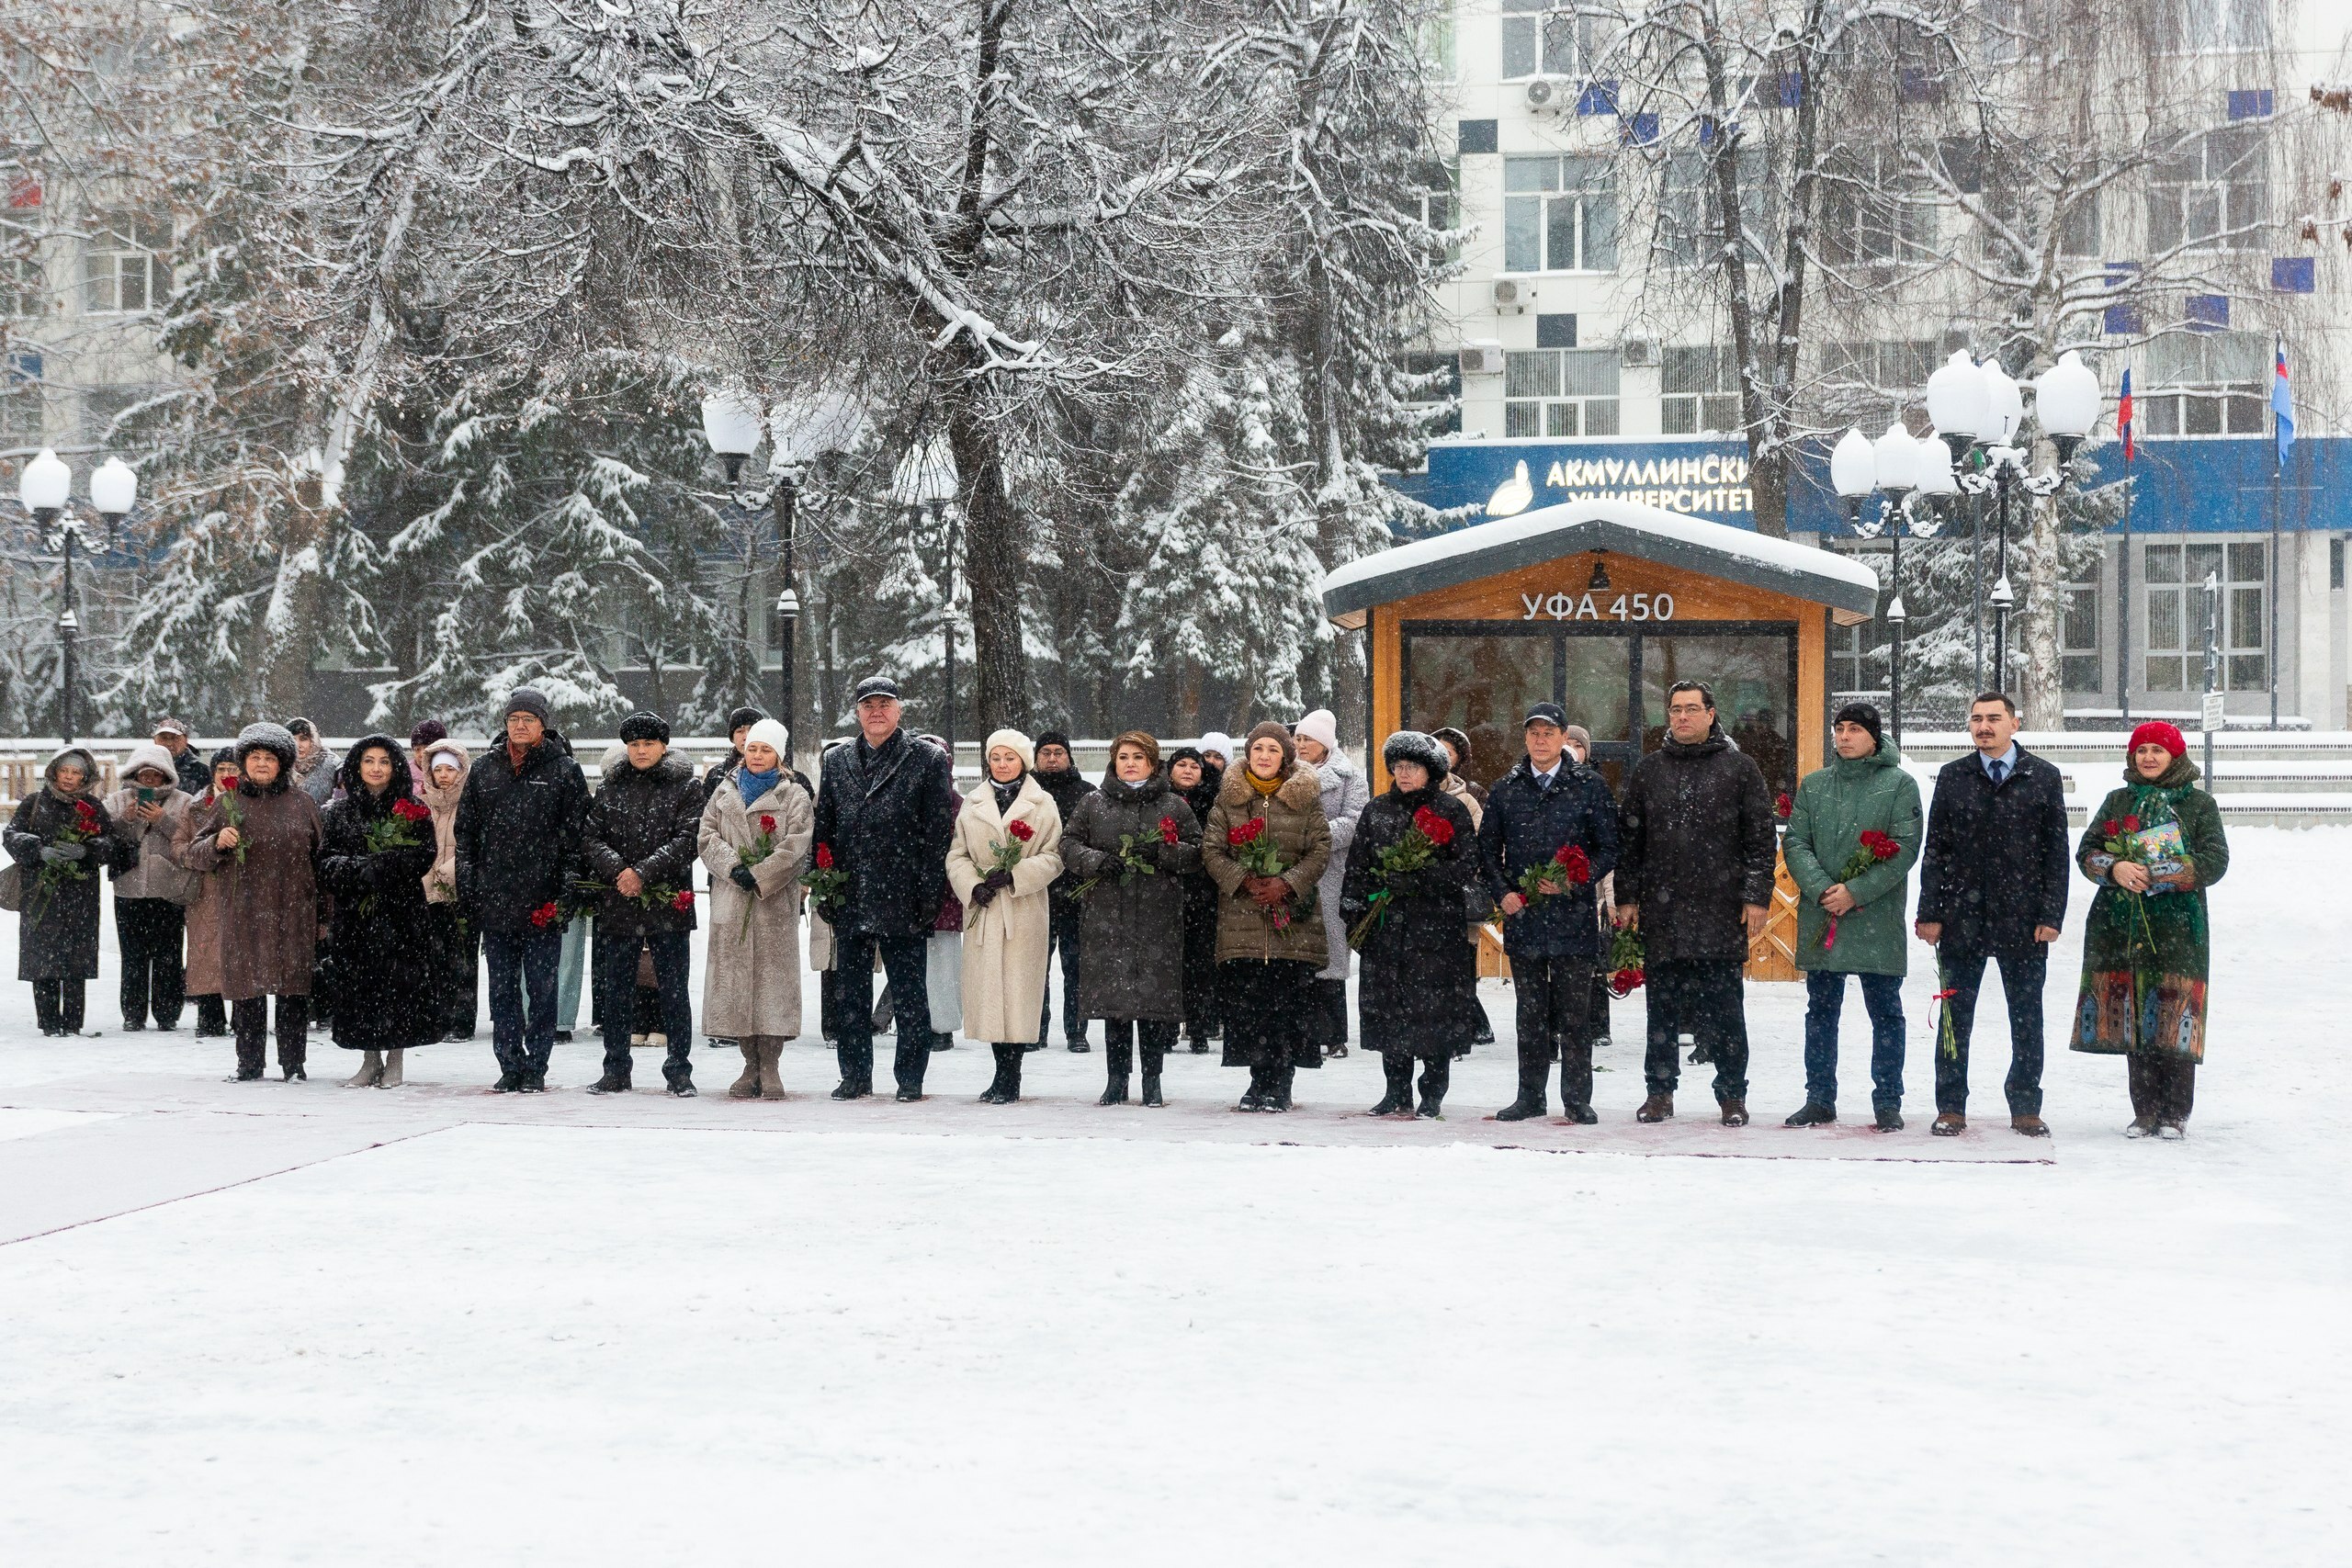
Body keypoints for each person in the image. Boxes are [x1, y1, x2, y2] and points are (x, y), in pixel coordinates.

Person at [1614, 681, 1777, 1126]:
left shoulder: (1740, 769)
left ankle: (1732, 1095)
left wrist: (1756, 895)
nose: (1682, 717)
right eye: (1675, 709)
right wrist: (1627, 896)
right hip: (1662, 910)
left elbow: (1760, 839)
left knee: (1725, 1009)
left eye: (1691, 709)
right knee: (1661, 1009)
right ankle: (1660, 1092)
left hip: (1720, 909)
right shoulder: (1649, 771)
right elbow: (1630, 840)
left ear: (1711, 714)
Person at [1915, 692, 2070, 1137]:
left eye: (1994, 718)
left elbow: (2055, 854)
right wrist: (1931, 912)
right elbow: (1936, 852)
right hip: (1962, 919)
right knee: (1953, 1018)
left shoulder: (2042, 777)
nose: (1984, 726)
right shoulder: (1953, 776)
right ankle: (1951, 1105)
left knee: (2026, 1016)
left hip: (2023, 919)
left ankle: (2025, 1104)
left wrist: (2051, 914)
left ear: (2015, 724)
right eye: (1977, 719)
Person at [2070, 722, 2230, 1139]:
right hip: (2119, 925)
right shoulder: (2117, 800)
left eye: (2158, 750)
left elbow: (2215, 859)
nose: (2149, 758)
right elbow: (2087, 851)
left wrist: (2160, 872)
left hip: (2178, 926)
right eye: (2142, 750)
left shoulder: (2199, 804)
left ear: (2176, 756)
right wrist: (2115, 868)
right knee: (2135, 1017)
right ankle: (2144, 1111)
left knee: (2176, 1014)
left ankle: (2175, 1112)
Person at [811, 674, 956, 1100]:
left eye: (884, 704)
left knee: (910, 995)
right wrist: (824, 884)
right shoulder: (837, 761)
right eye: (868, 705)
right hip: (851, 893)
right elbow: (825, 828)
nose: (876, 712)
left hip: (904, 894)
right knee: (850, 997)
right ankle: (855, 1075)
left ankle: (910, 1078)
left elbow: (937, 832)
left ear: (899, 710)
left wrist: (929, 892)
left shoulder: (926, 758)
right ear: (857, 713)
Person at [1781, 703, 1922, 1133]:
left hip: (1875, 917)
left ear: (1874, 737)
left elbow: (1904, 848)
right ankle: (1819, 1098)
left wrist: (1856, 892)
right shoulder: (1815, 785)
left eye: (1854, 729)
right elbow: (1796, 843)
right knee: (1821, 1012)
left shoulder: (1899, 785)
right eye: (1839, 729)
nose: (1843, 737)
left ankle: (1887, 1101)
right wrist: (1824, 889)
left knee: (1886, 1013)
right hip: (1824, 913)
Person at [1477, 702, 1621, 1121]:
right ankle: (1530, 1096)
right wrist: (1502, 893)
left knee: (1576, 1014)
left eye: (1549, 732)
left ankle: (1577, 1099)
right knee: (1530, 1013)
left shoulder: (1589, 786)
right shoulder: (1507, 788)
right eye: (1534, 732)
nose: (1541, 740)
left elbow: (1610, 846)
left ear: (1563, 738)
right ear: (1525, 738)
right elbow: (1486, 851)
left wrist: (1577, 879)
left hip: (1573, 917)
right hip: (1524, 916)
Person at [455, 687, 591, 1093]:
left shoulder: (564, 770)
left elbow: (577, 837)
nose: (520, 725)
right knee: (502, 989)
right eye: (514, 719)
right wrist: (470, 890)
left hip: (541, 901)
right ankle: (509, 1062)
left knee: (542, 988)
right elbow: (467, 835)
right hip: (495, 899)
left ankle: (538, 1063)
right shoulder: (484, 770)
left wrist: (565, 890)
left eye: (528, 719)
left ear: (543, 725)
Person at [1342, 731, 1480, 1118]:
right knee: (1390, 1012)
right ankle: (1396, 1089)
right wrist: (1354, 911)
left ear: (1430, 771)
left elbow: (1467, 865)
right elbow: (1358, 864)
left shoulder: (1449, 811)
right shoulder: (1377, 810)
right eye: (1399, 767)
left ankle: (1432, 1092)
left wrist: (1421, 879)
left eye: (1413, 767)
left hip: (1435, 930)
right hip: (1387, 930)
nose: (1404, 774)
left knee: (1433, 1013)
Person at [1060, 731, 1201, 1107]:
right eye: (1123, 756)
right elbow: (1069, 845)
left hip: (1158, 917)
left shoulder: (1173, 805)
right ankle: (1116, 1080)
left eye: (1138, 757)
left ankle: (1152, 1081)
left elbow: (1197, 852)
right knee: (1115, 1007)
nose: (1130, 763)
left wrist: (1163, 852)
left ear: (1153, 763)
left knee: (1152, 1007)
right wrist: (1098, 861)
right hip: (1106, 916)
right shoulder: (1093, 803)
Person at [1200, 721, 1331, 1112]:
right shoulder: (1228, 800)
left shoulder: (1305, 798)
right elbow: (1212, 849)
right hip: (1243, 917)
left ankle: (1283, 1079)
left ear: (1286, 757)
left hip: (1293, 919)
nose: (1264, 756)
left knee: (1286, 1002)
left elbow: (1320, 848)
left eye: (1273, 749)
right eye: (1258, 748)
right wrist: (1244, 880)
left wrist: (1287, 884)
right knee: (1249, 1003)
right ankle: (1257, 1080)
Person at [181, 723, 325, 1080]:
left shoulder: (303, 803)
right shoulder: (228, 804)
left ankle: (294, 1064)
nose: (261, 764)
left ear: (284, 763)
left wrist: (325, 917)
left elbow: (322, 861)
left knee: (292, 991)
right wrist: (216, 843)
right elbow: (193, 854)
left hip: (294, 912)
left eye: (270, 758)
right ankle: (249, 1063)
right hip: (243, 912)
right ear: (243, 762)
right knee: (247, 990)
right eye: (254, 757)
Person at [581, 711, 705, 1096]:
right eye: (634, 744)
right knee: (616, 990)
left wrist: (644, 873)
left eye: (648, 743)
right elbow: (591, 837)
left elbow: (688, 840)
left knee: (673, 989)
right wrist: (619, 870)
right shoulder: (610, 787)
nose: (641, 750)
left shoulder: (686, 787)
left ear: (664, 746)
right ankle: (615, 1068)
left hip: (668, 903)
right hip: (619, 902)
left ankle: (679, 1070)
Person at [946, 729, 1065, 1104]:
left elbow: (1055, 855)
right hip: (985, 909)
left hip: (1023, 908)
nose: (1002, 764)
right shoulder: (973, 802)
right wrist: (971, 886)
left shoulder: (1042, 803)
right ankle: (999, 1071)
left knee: (1018, 992)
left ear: (1024, 762)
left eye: (1009, 757)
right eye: (995, 757)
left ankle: (1012, 1074)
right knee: (989, 995)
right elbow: (957, 854)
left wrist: (1016, 874)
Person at [698, 717, 814, 1100]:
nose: (758, 755)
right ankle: (749, 1063)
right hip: (732, 901)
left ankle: (771, 1064)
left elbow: (797, 844)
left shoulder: (793, 795)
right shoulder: (723, 791)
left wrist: (762, 874)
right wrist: (733, 868)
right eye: (752, 748)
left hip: (772, 903)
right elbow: (706, 836)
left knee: (771, 983)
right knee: (736, 985)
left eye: (766, 749)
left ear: (779, 755)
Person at [316, 735, 440, 1088]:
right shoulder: (338, 812)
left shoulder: (412, 808)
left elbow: (424, 855)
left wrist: (388, 865)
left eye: (384, 761)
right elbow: (325, 862)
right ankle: (369, 1059)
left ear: (395, 767)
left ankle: (396, 1058)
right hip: (356, 915)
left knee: (401, 986)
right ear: (357, 766)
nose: (376, 768)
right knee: (361, 986)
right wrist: (360, 870)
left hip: (402, 914)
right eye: (369, 761)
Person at [7, 747, 131, 1036]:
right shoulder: (34, 803)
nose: (69, 777)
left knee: (76, 959)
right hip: (40, 892)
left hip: (80, 895)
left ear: (85, 777)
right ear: (53, 771)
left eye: (76, 772)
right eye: (65, 770)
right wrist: (40, 850)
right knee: (43, 958)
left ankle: (73, 1022)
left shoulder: (93, 807)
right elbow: (12, 835)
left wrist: (84, 850)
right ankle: (49, 1022)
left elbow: (111, 844)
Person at [103, 742, 197, 1032]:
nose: (149, 779)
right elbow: (105, 840)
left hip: (169, 890)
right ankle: (133, 1013)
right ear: (134, 773)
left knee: (169, 954)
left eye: (156, 774)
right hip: (129, 890)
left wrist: (163, 821)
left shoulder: (184, 802)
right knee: (132, 956)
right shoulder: (117, 801)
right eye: (144, 774)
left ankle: (167, 1014)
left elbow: (191, 841)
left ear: (167, 775)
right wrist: (128, 821)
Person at [1294, 706, 1368, 1058]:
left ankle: (1335, 1034)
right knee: (1298, 954)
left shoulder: (1349, 775)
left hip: (1332, 872)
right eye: (1298, 738)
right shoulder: (1287, 773)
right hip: (1291, 872)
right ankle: (1304, 1032)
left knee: (1331, 953)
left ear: (1324, 743)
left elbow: (1355, 820)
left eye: (1307, 739)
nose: (1301, 744)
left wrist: (1316, 836)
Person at [1030, 728, 1095, 1053]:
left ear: (1069, 756)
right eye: (1046, 753)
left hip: (1076, 893)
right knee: (1035, 965)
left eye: (1058, 752)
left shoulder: (1087, 793)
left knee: (1076, 966)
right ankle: (1035, 1029)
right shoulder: (1025, 792)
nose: (1052, 758)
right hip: (1035, 891)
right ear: (1036, 757)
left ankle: (1076, 1031)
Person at [1432, 726, 1496, 1052]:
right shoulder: (1404, 792)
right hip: (1423, 899)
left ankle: (1471, 1025)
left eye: (1449, 752)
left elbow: (1479, 845)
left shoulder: (1470, 796)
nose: (1442, 758)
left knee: (1461, 964)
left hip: (1460, 893)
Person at [171, 748, 240, 1039]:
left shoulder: (251, 804)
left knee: (240, 952)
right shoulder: (195, 806)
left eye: (233, 768)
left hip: (240, 889)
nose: (227, 774)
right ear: (213, 773)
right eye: (222, 768)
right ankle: (210, 1017)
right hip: (205, 891)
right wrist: (200, 854)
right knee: (205, 952)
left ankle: (244, 1018)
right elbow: (178, 845)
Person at [415, 739, 476, 1040]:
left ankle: (462, 1020)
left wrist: (451, 870)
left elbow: (473, 844)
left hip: (460, 892)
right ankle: (437, 1017)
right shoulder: (422, 805)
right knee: (433, 957)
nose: (443, 775)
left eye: (449, 769)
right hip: (427, 892)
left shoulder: (470, 803)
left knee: (462, 958)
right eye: (437, 769)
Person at [1562, 724, 1618, 1052]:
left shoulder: (1596, 787)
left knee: (1595, 964)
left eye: (1577, 744)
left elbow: (1607, 848)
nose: (1571, 749)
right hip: (1555, 889)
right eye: (1566, 743)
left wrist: (1611, 899)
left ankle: (1599, 1024)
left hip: (1591, 893)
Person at [1166, 744, 1224, 1051]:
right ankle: (1165, 1027)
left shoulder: (1214, 803)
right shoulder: (1157, 800)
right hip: (1163, 891)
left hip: (1203, 892)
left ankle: (1200, 1027)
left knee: (1200, 962)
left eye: (1195, 766)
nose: (1187, 770)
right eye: (1181, 764)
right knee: (1167, 962)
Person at [287, 717, 340, 806]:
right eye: (292, 739)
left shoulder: (331, 766)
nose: (297, 745)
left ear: (313, 740)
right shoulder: (281, 766)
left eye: (303, 739)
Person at [153, 716, 211, 797]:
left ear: (186, 740)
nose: (169, 744)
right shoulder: (143, 770)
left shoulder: (204, 773)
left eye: (175, 738)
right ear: (155, 741)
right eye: (164, 738)